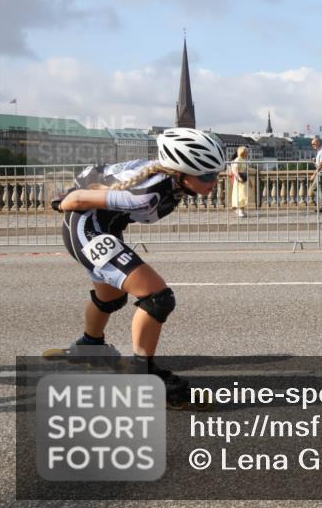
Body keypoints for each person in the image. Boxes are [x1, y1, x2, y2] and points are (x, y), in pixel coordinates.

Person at [47, 128, 226, 409]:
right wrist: (60, 201)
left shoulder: (164, 177)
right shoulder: (146, 193)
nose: (214, 181)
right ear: (181, 172)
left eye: (217, 173)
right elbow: (78, 200)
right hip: (87, 230)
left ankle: (89, 347)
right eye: (206, 176)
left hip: (104, 227)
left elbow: (98, 171)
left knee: (112, 298)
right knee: (157, 297)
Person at [310, 136, 322, 213]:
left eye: (313, 144)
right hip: (321, 171)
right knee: (318, 188)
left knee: (316, 188)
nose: (312, 145)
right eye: (312, 144)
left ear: (318, 142)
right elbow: (320, 163)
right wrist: (315, 160)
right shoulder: (319, 151)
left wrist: (314, 175)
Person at [229, 145, 249, 218]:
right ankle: (240, 210)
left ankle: (241, 210)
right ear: (243, 152)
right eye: (246, 152)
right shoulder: (238, 159)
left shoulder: (243, 159)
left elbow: (245, 170)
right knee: (240, 195)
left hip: (243, 180)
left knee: (243, 195)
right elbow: (235, 170)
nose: (248, 153)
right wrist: (239, 177)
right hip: (239, 181)